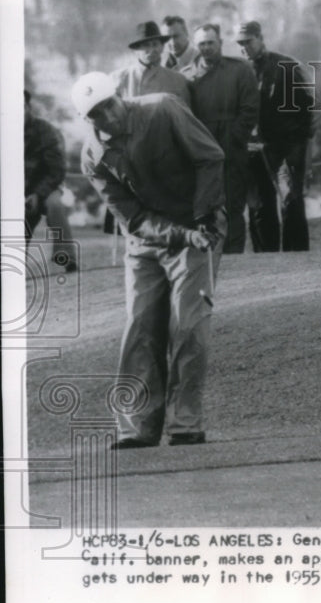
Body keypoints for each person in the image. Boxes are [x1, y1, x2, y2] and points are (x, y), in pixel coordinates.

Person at [72, 72, 226, 448]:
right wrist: (179, 234)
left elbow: (210, 157)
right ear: (86, 120)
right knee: (140, 327)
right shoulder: (92, 157)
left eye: (109, 105)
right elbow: (135, 219)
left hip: (197, 224)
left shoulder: (163, 108)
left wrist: (201, 222)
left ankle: (184, 422)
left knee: (188, 325)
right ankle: (137, 426)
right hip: (144, 240)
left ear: (121, 96)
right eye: (95, 114)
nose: (106, 117)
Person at [235, 21, 314, 252]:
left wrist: (297, 148)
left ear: (260, 38)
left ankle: (297, 261)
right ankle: (265, 263)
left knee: (291, 203)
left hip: (285, 149)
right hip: (252, 152)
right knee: (259, 209)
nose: (244, 48)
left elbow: (306, 110)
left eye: (248, 42)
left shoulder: (285, 66)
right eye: (240, 44)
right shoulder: (239, 71)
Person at [181, 23, 259, 254]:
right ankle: (206, 255)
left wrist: (233, 138)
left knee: (233, 206)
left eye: (211, 43)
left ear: (220, 43)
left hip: (231, 150)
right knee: (203, 205)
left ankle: (234, 257)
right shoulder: (186, 77)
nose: (206, 48)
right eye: (202, 44)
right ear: (196, 46)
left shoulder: (240, 70)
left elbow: (250, 109)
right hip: (199, 153)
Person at [24, 90, 77, 272]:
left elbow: (57, 169)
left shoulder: (45, 131)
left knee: (55, 204)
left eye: (21, 107)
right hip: (17, 194)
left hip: (46, 188)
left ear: (28, 108)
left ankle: (66, 256)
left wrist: (37, 194)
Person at [112, 20, 191, 105]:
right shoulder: (118, 80)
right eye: (146, 45)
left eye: (155, 44)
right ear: (136, 50)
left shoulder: (178, 81)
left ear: (162, 47)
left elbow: (183, 115)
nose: (152, 50)